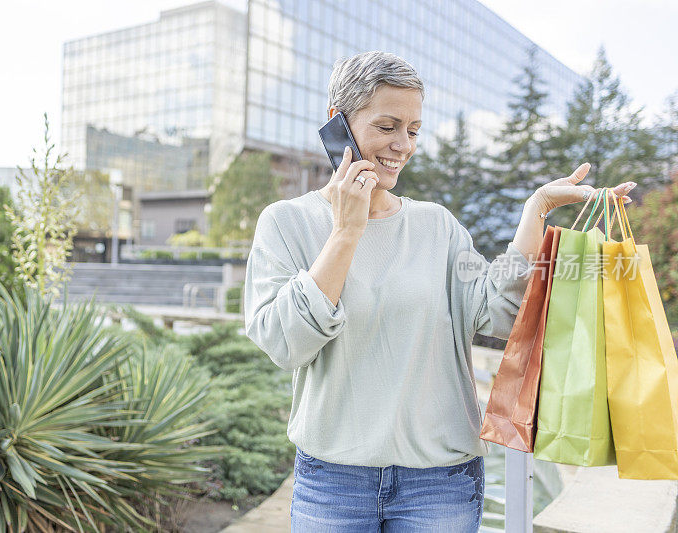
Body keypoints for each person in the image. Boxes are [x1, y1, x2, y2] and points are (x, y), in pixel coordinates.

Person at [242, 51, 635, 532]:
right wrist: (346, 231)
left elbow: (499, 313)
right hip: (333, 483)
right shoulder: (286, 223)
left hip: (440, 484)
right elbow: (285, 344)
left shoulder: (436, 226)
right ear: (337, 121)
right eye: (387, 126)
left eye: (413, 130)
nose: (402, 145)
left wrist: (537, 209)